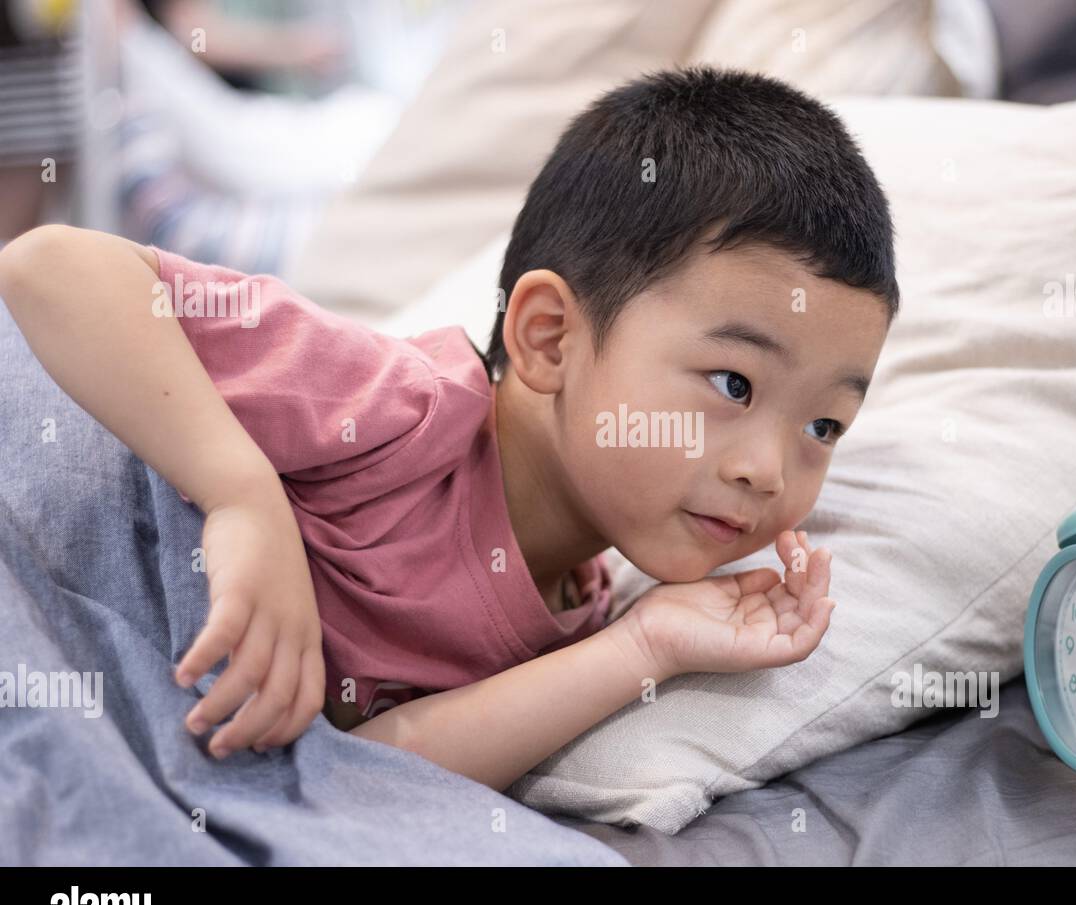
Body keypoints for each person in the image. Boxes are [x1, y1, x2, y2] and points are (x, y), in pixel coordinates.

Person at [0, 65, 897, 794]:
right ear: (550, 338)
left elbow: (369, 777)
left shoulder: (583, 616)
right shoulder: (399, 410)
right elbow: (51, 268)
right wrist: (243, 496)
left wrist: (646, 645)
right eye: (734, 382)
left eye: (824, 423)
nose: (770, 471)